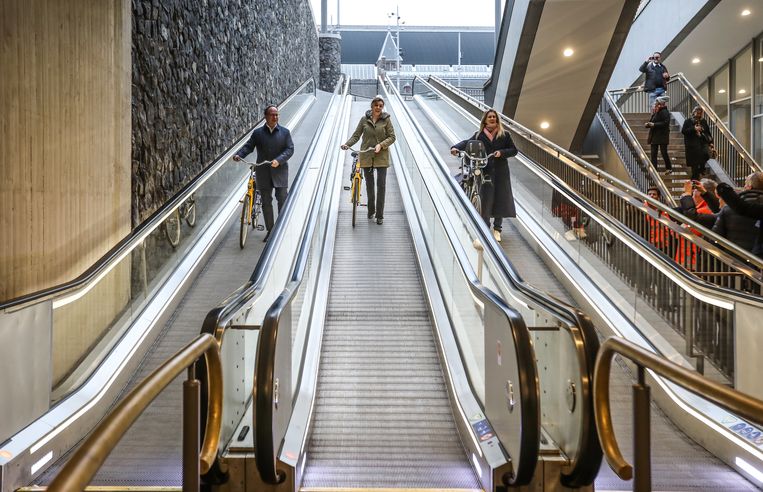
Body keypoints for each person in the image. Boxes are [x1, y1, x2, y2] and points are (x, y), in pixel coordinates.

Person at [450, 109, 518, 242]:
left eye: (494, 117)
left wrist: (501, 153)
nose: (492, 118)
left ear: (497, 119)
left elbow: (514, 150)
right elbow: (467, 143)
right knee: (485, 199)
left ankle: (497, 229)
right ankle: (485, 228)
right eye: (489, 117)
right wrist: (456, 147)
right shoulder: (479, 135)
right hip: (484, 170)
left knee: (501, 199)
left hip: (501, 172)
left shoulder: (505, 135)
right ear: (485, 120)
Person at [233, 105, 294, 242]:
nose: (275, 117)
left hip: (280, 172)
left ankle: (282, 229)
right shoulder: (258, 133)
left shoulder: (285, 132)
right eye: (272, 115)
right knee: (266, 202)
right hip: (263, 172)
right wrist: (239, 155)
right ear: (265, 116)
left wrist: (279, 160)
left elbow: (290, 149)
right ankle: (271, 231)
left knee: (282, 200)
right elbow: (249, 146)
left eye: (277, 114)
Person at [341, 96, 396, 225]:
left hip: (381, 157)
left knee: (381, 186)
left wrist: (381, 145)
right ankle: (371, 211)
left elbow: (392, 137)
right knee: (369, 186)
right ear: (372, 106)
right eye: (376, 105)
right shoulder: (364, 120)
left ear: (382, 107)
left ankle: (380, 215)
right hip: (366, 156)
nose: (378, 108)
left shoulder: (386, 120)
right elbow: (356, 135)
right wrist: (347, 144)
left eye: (380, 106)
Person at [712, 173, 763, 255]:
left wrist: (723, 189)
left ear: (748, 187)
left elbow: (742, 208)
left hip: (734, 257)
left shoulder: (729, 209)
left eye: (745, 184)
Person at [681, 106, 714, 181]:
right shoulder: (688, 121)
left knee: (706, 155)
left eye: (700, 113)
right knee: (695, 166)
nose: (699, 115)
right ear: (693, 112)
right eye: (697, 113)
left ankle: (701, 170)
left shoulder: (703, 121)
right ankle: (695, 181)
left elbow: (708, 132)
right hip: (692, 147)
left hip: (702, 144)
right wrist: (694, 129)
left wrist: (711, 142)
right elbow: (684, 131)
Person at [645, 96, 673, 174]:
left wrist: (654, 124)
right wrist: (648, 124)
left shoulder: (665, 112)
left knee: (663, 152)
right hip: (655, 136)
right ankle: (655, 169)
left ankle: (668, 168)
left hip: (662, 136)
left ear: (661, 103)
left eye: (657, 102)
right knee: (654, 153)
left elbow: (665, 123)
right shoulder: (656, 112)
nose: (655, 104)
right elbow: (652, 122)